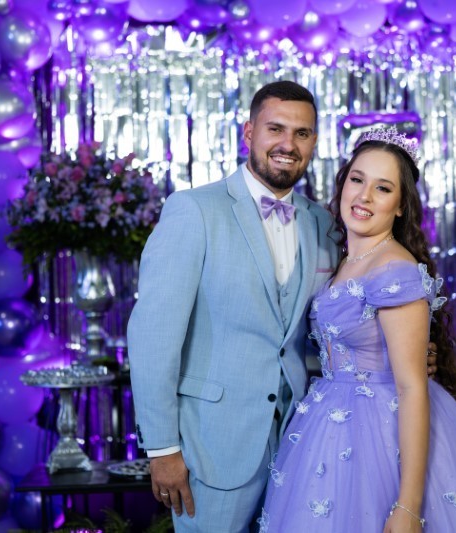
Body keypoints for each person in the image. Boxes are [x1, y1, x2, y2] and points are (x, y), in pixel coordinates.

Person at [127, 81, 436, 532]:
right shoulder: (193, 211)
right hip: (213, 446)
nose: (288, 144)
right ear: (249, 132)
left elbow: (330, 327)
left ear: (313, 142)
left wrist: (396, 357)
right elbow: (153, 338)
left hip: (302, 446)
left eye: (302, 133)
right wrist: (162, 448)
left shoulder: (325, 223)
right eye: (276, 129)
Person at [259, 127, 456, 532]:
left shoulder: (396, 269)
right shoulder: (344, 258)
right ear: (342, 184)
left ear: (402, 205)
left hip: (383, 430)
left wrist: (408, 506)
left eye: (383, 188)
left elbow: (411, 387)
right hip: (328, 420)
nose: (364, 196)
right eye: (357, 180)